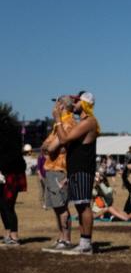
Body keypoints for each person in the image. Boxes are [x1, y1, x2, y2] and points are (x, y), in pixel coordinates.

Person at [51, 91, 100, 255]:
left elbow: (64, 140)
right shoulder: (82, 122)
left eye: (76, 101)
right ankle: (83, 242)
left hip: (82, 169)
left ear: (84, 103)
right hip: (76, 169)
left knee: (83, 205)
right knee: (80, 205)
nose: (73, 104)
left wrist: (58, 119)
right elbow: (66, 143)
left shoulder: (89, 121)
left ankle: (86, 243)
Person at [40, 96, 77, 252]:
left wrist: (50, 147)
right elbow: (44, 147)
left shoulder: (68, 124)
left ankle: (66, 240)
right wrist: (49, 146)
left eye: (56, 104)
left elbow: (50, 148)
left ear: (62, 106)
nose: (54, 107)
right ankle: (61, 238)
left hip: (60, 170)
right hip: (51, 168)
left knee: (61, 206)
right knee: (56, 206)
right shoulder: (58, 124)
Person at [0, 120, 28, 248]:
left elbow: (10, 159)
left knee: (8, 206)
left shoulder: (8, 142)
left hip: (11, 174)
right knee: (3, 206)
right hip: (7, 173)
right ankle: (8, 234)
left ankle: (14, 236)